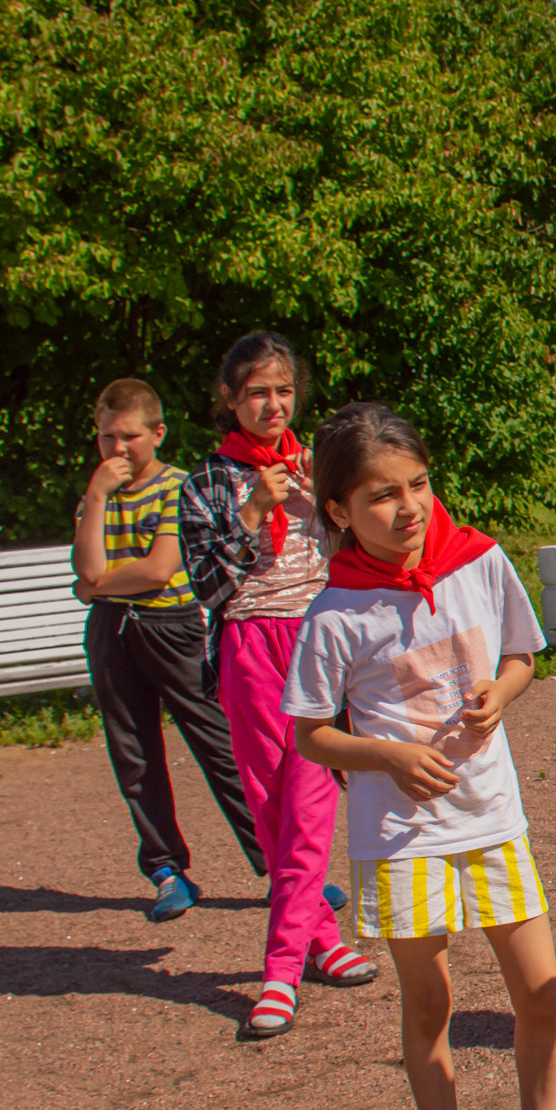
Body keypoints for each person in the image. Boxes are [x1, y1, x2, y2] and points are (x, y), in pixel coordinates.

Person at [283, 403, 556, 1110]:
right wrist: (386, 756)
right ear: (338, 512)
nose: (410, 507)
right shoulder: (334, 613)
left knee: (545, 989)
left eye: (418, 484)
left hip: (492, 818)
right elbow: (309, 733)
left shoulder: (480, 562)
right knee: (430, 1003)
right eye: (382, 495)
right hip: (401, 838)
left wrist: (500, 693)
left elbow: (521, 655)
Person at [177, 332, 374, 1040]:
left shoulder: (318, 466)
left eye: (283, 390)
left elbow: (351, 550)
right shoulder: (205, 483)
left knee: (312, 803)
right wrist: (253, 513)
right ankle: (323, 938)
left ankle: (279, 972)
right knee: (272, 810)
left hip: (318, 640)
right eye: (258, 391)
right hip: (248, 647)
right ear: (230, 400)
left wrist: (320, 512)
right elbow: (205, 587)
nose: (273, 403)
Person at [71, 378, 264, 922]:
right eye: (107, 437)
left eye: (129, 436)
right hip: (111, 631)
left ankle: (279, 864)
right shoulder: (97, 496)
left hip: (174, 627)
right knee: (133, 754)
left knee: (219, 745)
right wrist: (96, 496)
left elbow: (159, 569)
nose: (118, 449)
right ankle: (165, 869)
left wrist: (96, 584)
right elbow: (84, 570)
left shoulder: (180, 486)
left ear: (157, 432)